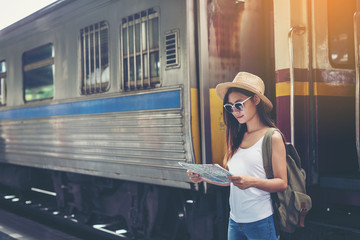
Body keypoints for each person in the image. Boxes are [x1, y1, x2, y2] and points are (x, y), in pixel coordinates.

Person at [187, 72, 287, 240]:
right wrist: (202, 178)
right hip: (235, 221)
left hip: (261, 222)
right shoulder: (237, 136)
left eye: (239, 104)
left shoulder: (272, 137)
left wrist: (251, 182)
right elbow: (232, 180)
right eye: (229, 107)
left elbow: (282, 183)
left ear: (256, 100)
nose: (234, 111)